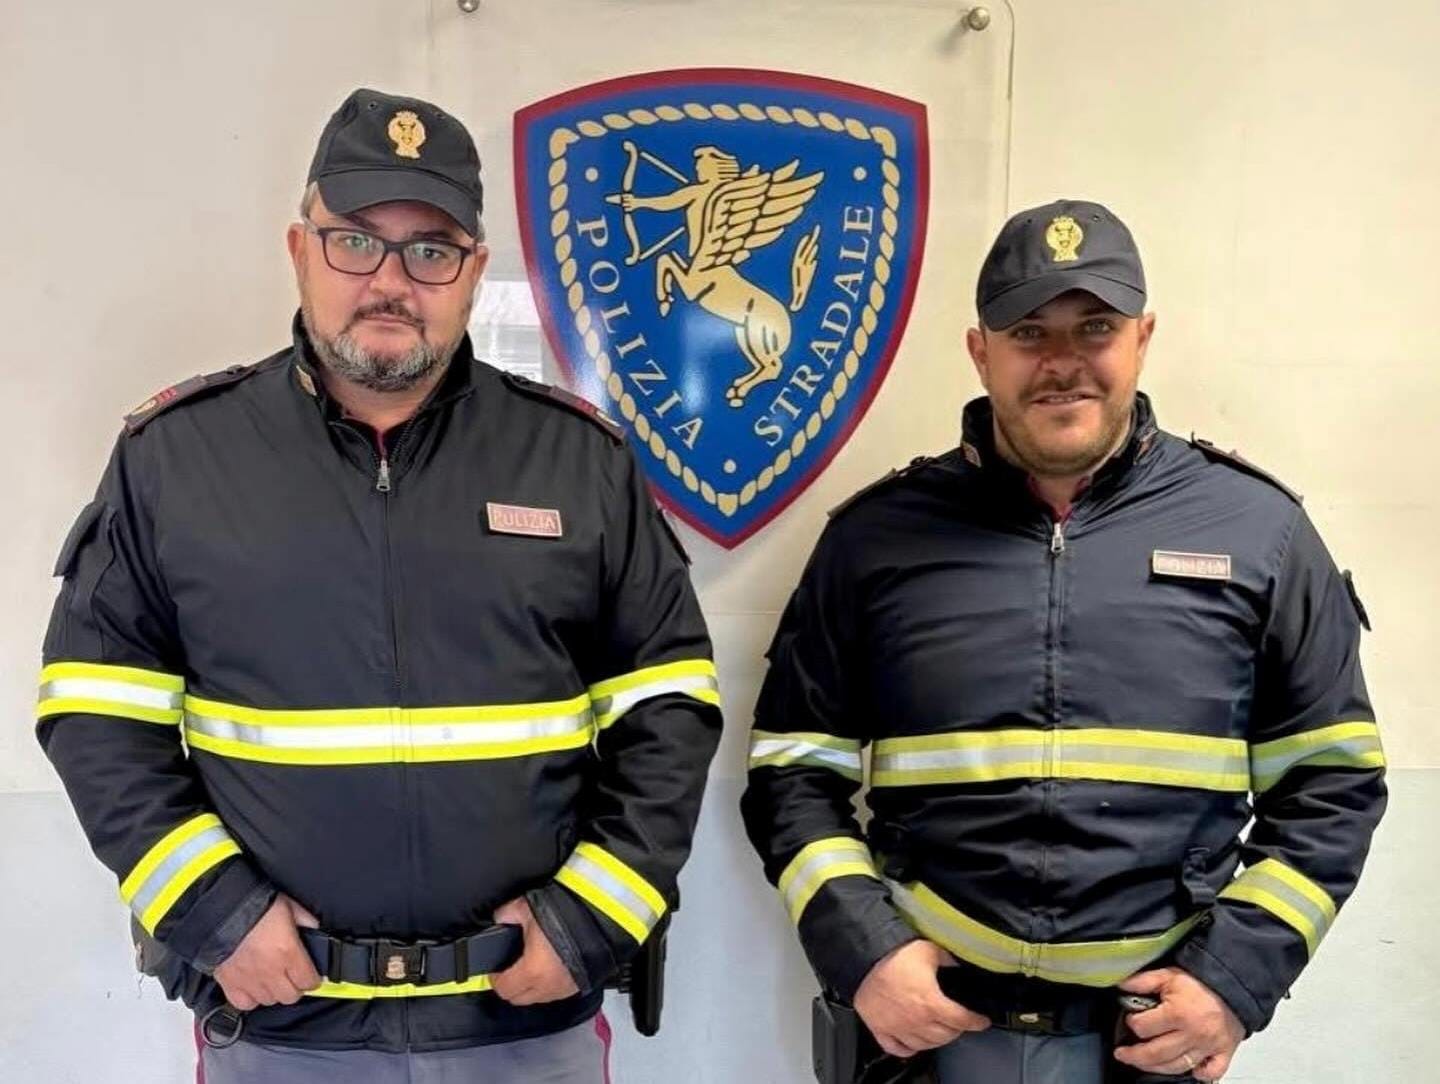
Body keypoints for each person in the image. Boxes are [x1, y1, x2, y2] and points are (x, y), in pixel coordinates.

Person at [37, 87, 721, 1083]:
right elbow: (95, 713)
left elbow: (670, 707)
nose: (391, 281)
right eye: (356, 241)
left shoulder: (582, 462)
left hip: (526, 1031)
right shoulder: (175, 458)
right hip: (281, 1031)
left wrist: (592, 916)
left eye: (431, 249)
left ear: (474, 270)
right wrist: (213, 912)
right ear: (300, 249)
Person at [741, 199, 1385, 1083]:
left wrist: (1235, 979)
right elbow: (791, 768)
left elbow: (1333, 782)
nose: (1063, 362)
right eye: (1029, 333)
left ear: (1142, 339)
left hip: (1147, 1047)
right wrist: (865, 948)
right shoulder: (875, 539)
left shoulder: (1258, 531)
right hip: (929, 1041)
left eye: (1095, 328)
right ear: (981, 352)